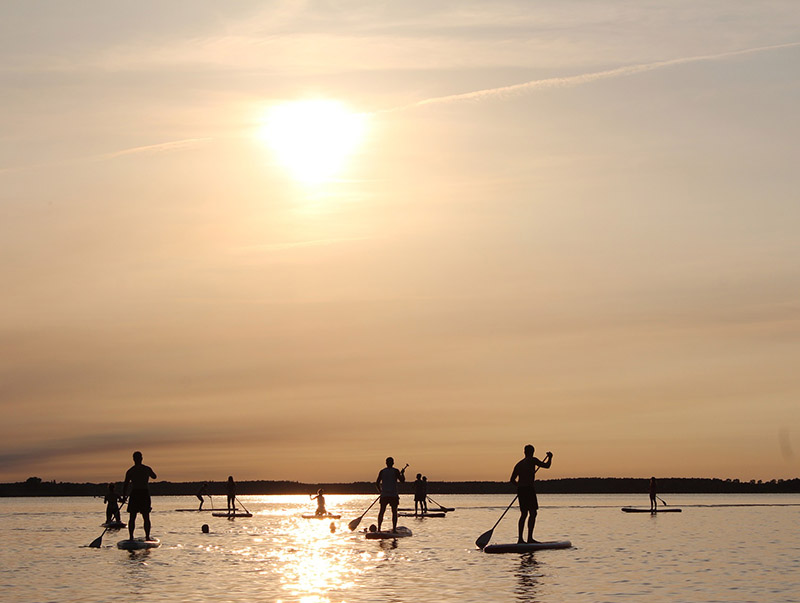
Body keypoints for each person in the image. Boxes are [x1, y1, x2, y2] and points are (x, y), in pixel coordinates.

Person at [510, 444, 552, 544]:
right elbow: (547, 466)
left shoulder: (519, 464)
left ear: (524, 452)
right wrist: (550, 457)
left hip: (521, 490)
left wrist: (520, 486)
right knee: (533, 513)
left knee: (524, 514)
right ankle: (529, 538)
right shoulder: (533, 460)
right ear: (533, 452)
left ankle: (520, 539)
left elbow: (512, 480)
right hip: (528, 489)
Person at [122, 451, 157, 541]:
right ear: (141, 458)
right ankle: (146, 536)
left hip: (136, 493)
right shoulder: (146, 469)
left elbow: (125, 485)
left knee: (133, 516)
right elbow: (154, 476)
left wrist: (124, 496)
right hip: (143, 493)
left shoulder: (131, 471)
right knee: (145, 516)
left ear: (134, 459)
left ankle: (132, 537)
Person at [375, 457, 406, 532]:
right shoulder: (396, 471)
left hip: (385, 495)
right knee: (394, 512)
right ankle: (394, 529)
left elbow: (377, 483)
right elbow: (402, 481)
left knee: (382, 511)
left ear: (386, 463)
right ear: (393, 463)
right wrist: (402, 473)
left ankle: (379, 528)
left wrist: (380, 491)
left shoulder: (382, 471)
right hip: (393, 495)